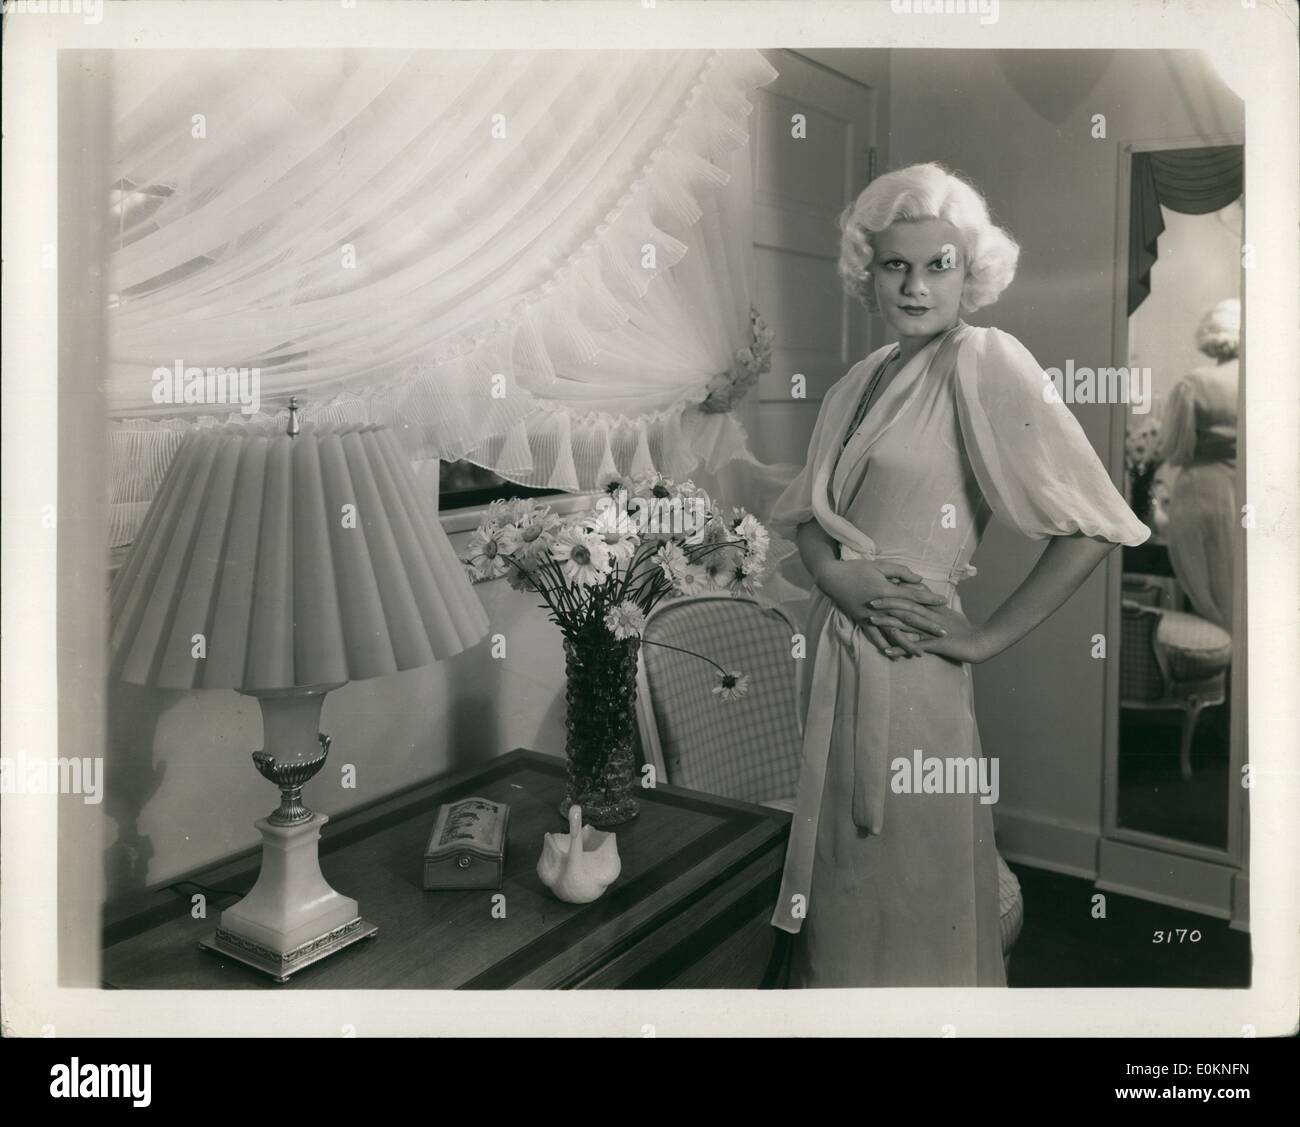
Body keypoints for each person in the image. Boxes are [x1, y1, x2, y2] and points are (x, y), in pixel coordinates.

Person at [767, 162, 1150, 986]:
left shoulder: (985, 360)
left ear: (969, 273)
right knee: (841, 887)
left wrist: (982, 638)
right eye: (895, 264)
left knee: (909, 888)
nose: (914, 285)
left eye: (938, 265)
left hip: (911, 675)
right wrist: (836, 579)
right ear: (866, 271)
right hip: (833, 658)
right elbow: (804, 521)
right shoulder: (855, 383)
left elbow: (1097, 523)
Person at [1157, 299, 1240, 631]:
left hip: (1201, 489)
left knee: (1206, 591)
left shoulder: (1196, 383)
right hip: (1244, 488)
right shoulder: (1264, 382)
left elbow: (1174, 450)